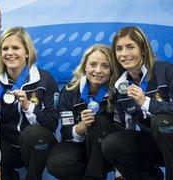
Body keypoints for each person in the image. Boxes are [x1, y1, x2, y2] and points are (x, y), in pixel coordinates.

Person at [0, 26, 59, 180]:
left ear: (27, 52)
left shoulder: (44, 79)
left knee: (33, 134)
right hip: (9, 146)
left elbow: (51, 124)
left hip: (36, 145)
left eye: (15, 48)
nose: (9, 53)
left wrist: (28, 107)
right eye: (5, 49)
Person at [101, 26, 173, 180]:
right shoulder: (120, 87)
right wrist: (120, 172)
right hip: (155, 146)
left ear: (143, 49)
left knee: (162, 122)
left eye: (130, 47)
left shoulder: (166, 71)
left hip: (170, 137)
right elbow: (125, 127)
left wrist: (146, 103)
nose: (124, 54)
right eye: (119, 49)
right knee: (112, 144)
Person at [46, 44, 118, 179]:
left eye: (105, 66)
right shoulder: (69, 91)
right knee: (57, 163)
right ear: (85, 66)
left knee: (100, 122)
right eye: (93, 64)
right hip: (77, 146)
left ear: (112, 69)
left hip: (105, 149)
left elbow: (122, 129)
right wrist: (81, 127)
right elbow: (66, 132)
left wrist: (120, 170)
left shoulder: (118, 92)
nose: (98, 70)